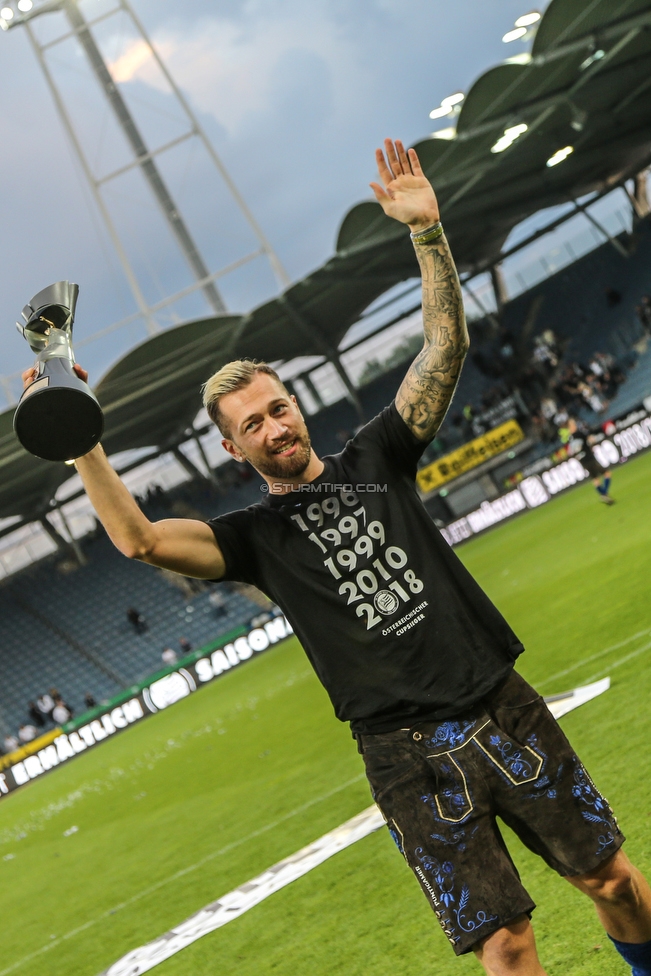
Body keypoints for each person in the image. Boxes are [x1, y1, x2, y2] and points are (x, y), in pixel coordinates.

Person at [22, 140, 651, 976]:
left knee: (609, 881)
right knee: (503, 944)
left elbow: (441, 349)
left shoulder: (376, 456)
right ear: (233, 448)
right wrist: (79, 438)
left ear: (296, 404)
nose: (274, 428)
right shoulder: (251, 540)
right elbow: (137, 538)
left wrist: (428, 235)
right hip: (404, 758)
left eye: (278, 409)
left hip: (500, 705)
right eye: (252, 426)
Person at [566, 418, 615, 504]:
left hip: (582, 461)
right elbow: (591, 439)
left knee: (595, 479)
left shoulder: (570, 438)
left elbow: (570, 452)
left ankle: (604, 495)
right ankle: (604, 493)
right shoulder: (580, 433)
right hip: (589, 458)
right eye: (573, 424)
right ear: (571, 426)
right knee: (607, 473)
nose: (575, 425)